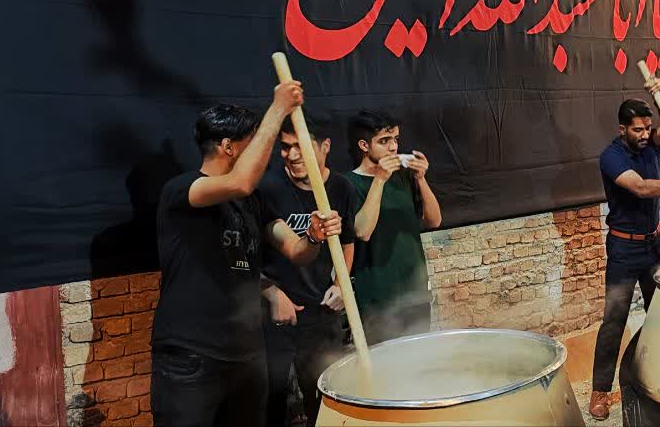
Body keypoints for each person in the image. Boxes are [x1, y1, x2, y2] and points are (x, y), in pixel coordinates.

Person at [151, 85, 343, 426]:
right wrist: (278, 109)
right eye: (253, 141)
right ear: (228, 147)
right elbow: (240, 182)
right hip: (192, 356)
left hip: (247, 355)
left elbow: (297, 251)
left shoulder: (252, 202)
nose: (263, 150)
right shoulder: (182, 190)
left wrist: (314, 236)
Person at [587, 80, 660, 421]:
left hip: (654, 245)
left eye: (647, 128)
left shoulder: (650, 144)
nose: (644, 135)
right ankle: (600, 391)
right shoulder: (611, 156)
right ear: (622, 129)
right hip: (624, 249)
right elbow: (640, 188)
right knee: (614, 320)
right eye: (637, 130)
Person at [259, 112, 357, 427]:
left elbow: (347, 243)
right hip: (277, 312)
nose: (292, 155)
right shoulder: (268, 187)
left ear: (325, 146)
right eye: (285, 147)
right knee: (271, 399)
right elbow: (254, 252)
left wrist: (341, 285)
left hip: (321, 311)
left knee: (323, 396)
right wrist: (271, 292)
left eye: (300, 146)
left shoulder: (341, 187)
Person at [347, 110, 442, 344]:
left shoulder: (404, 177)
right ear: (364, 145)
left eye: (396, 139)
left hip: (415, 293)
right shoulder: (349, 183)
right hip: (377, 299)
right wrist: (379, 179)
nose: (393, 147)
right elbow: (363, 231)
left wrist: (421, 178)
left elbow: (434, 220)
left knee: (421, 356)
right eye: (384, 141)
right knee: (385, 361)